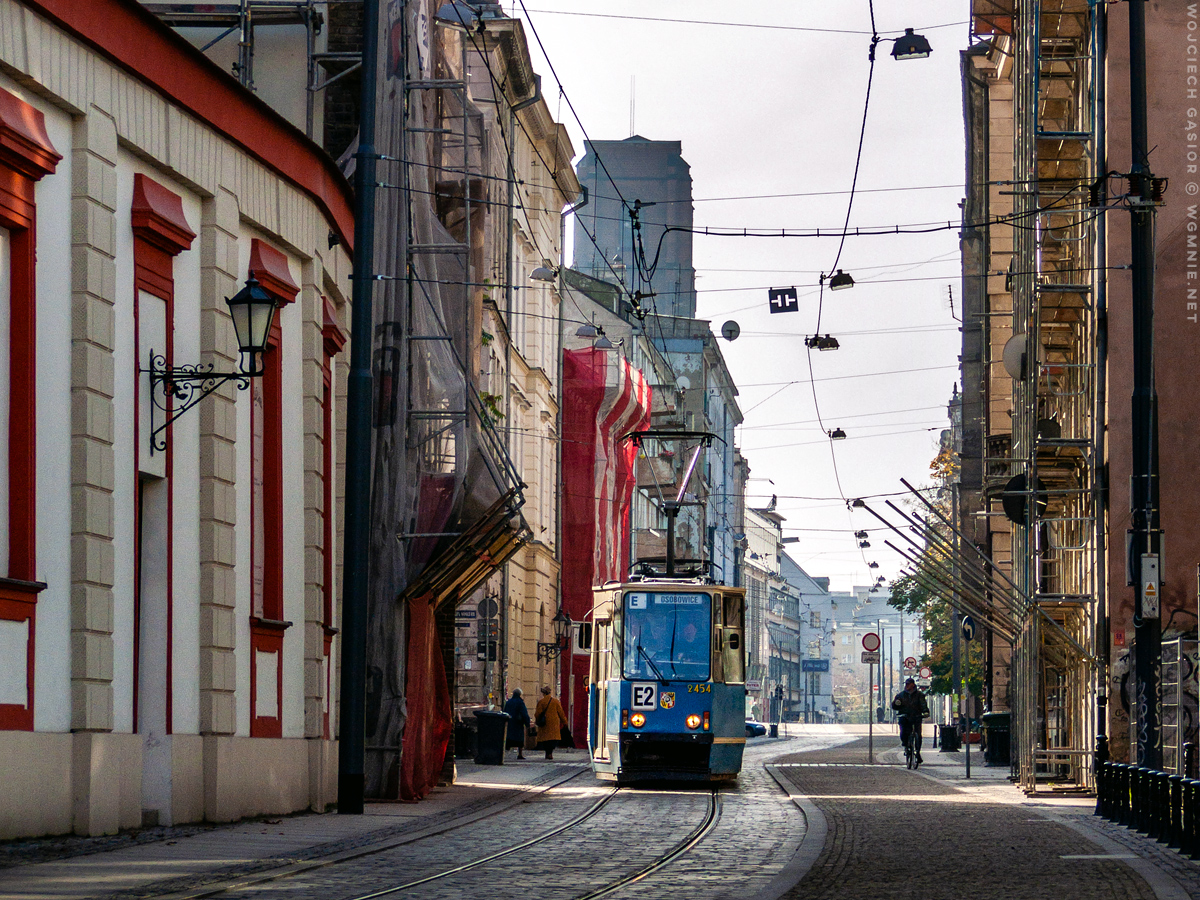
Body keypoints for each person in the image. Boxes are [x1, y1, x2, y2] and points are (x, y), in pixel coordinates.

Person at [891, 677, 930, 765]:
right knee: (904, 731)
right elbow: (894, 706)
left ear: (913, 685)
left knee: (918, 735)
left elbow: (923, 704)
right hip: (905, 716)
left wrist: (925, 711)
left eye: (909, 684)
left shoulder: (919, 695)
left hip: (916, 716)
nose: (907, 685)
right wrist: (896, 704)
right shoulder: (901, 695)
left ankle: (917, 752)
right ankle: (905, 745)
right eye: (906, 684)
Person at [534, 685, 567, 760]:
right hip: (554, 723)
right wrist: (564, 721)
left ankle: (547, 753)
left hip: (545, 724)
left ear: (543, 693)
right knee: (553, 739)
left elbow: (537, 713)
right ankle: (550, 753)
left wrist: (537, 720)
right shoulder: (556, 701)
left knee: (546, 740)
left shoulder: (541, 702)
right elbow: (561, 712)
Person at [503, 688, 531, 760]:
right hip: (518, 723)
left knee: (508, 738)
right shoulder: (520, 702)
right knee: (519, 739)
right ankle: (520, 754)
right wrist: (527, 723)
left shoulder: (509, 702)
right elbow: (524, 713)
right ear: (520, 694)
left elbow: (504, 711)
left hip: (509, 722)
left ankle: (505, 753)